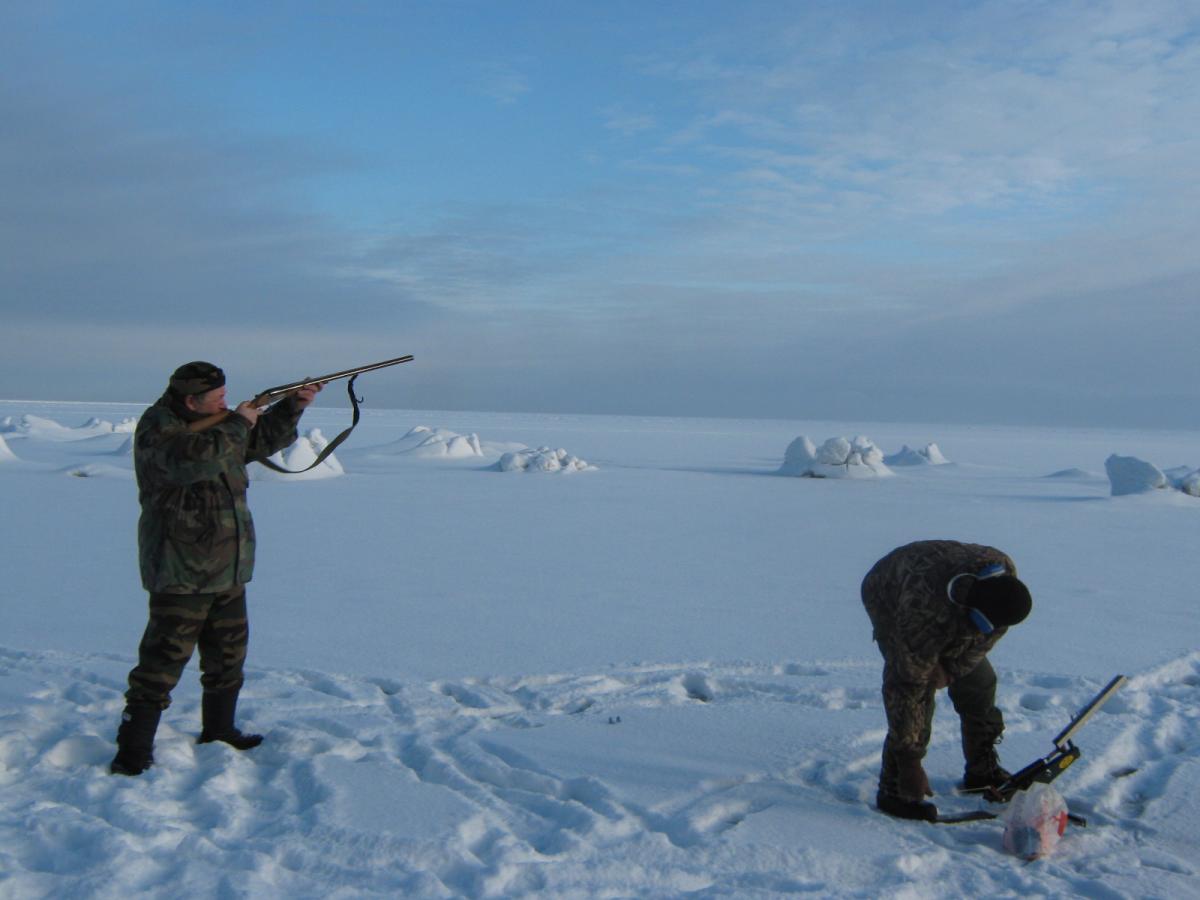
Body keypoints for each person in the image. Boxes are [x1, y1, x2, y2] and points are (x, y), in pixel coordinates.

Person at [110, 361, 321, 776]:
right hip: (181, 570)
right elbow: (195, 461)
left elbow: (257, 441)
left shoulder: (219, 427)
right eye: (218, 399)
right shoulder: (159, 428)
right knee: (161, 663)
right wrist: (239, 422)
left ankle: (219, 730)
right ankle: (132, 751)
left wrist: (292, 406)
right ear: (191, 402)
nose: (226, 403)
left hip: (227, 565)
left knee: (228, 657)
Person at [861, 540, 1032, 821]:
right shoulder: (920, 612)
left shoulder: (1003, 572)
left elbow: (987, 637)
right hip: (888, 591)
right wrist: (910, 761)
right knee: (919, 687)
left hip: (944, 591)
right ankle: (895, 789)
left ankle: (981, 769)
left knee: (980, 682)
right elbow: (905, 688)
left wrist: (952, 668)